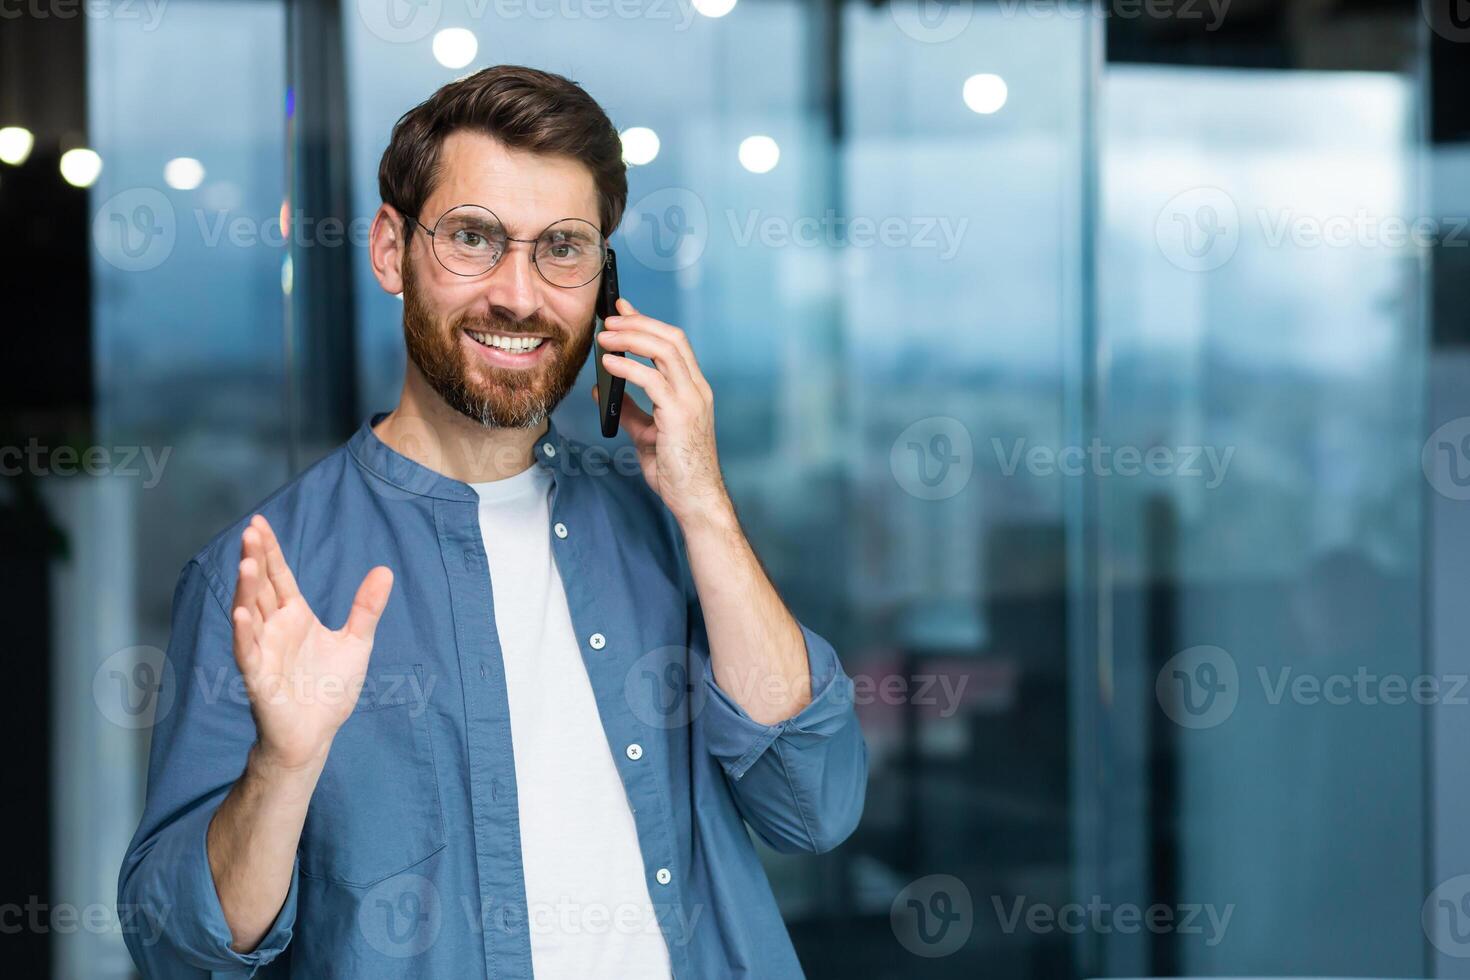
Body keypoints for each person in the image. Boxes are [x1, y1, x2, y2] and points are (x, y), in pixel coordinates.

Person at [116, 64, 867, 979]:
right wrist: (282, 764)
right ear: (391, 251)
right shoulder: (268, 575)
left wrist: (704, 506)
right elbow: (173, 951)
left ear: (607, 286)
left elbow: (814, 804)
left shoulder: (666, 529)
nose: (519, 294)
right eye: (474, 239)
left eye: (564, 248)